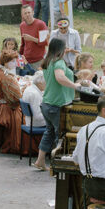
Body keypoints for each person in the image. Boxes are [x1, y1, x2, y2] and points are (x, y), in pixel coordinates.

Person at [34, 37, 83, 172]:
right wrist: (75, 86)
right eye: (65, 47)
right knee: (59, 136)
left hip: (47, 103)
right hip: (57, 105)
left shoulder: (48, 61)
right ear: (60, 49)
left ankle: (40, 160)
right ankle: (57, 165)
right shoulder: (59, 62)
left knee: (49, 132)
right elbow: (60, 77)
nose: (67, 49)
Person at [0, 50, 25, 153]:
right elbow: (16, 99)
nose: (15, 63)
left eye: (15, 61)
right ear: (5, 62)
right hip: (5, 109)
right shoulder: (7, 77)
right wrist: (23, 90)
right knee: (24, 116)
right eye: (12, 61)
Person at [19, 5, 48, 75]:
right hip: (26, 60)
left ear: (33, 12)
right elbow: (23, 44)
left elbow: (46, 42)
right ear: (22, 15)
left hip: (38, 60)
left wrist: (31, 38)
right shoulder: (22, 25)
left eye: (29, 12)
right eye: (25, 13)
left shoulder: (41, 24)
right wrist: (20, 56)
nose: (27, 15)